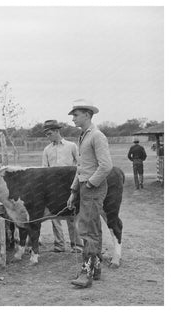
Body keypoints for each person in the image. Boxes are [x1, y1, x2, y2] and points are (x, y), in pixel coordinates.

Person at [66, 99, 113, 289]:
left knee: (88, 229)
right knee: (92, 227)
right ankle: (97, 268)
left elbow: (106, 166)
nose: (73, 119)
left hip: (93, 187)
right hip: (85, 186)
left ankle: (87, 273)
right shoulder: (83, 136)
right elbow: (81, 167)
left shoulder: (97, 136)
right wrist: (74, 190)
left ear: (87, 114)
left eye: (76, 115)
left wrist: (91, 184)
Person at [41, 120, 83, 253]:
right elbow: (44, 169)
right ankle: (59, 245)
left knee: (72, 214)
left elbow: (80, 164)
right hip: (53, 187)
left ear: (57, 131)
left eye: (49, 134)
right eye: (46, 134)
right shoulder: (47, 150)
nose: (48, 137)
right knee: (54, 216)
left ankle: (76, 245)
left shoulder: (71, 146)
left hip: (69, 184)